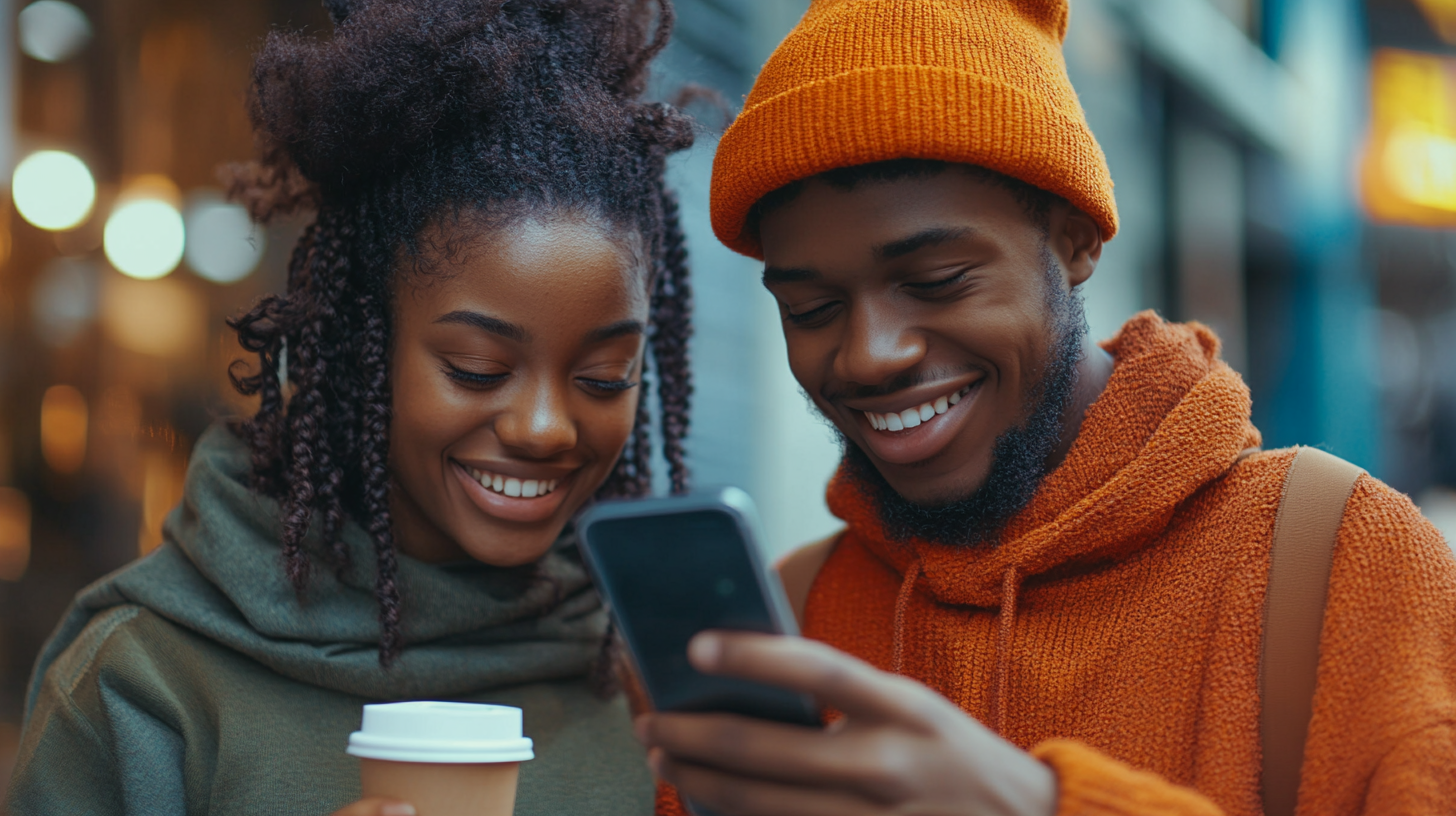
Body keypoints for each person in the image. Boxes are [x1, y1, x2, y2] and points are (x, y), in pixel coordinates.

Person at [639, 1, 1456, 815]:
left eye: (937, 282)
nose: (867, 355)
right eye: (811, 310)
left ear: (1076, 241)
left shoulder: (1341, 561)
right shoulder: (787, 618)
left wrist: (1038, 805)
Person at [6, 1, 695, 814]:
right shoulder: (144, 685)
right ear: (361, 348)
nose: (544, 427)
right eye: (476, 369)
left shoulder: (644, 680)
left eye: (606, 376)